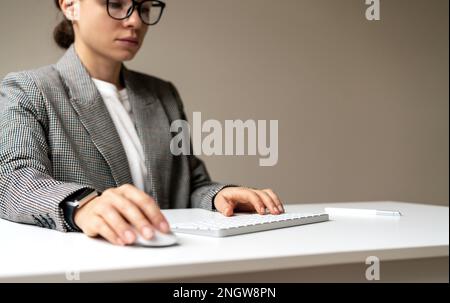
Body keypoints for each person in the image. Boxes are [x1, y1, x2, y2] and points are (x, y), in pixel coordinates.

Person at [0, 0, 284, 246]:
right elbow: (13, 181)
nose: (135, 20)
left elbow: (190, 185)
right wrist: (82, 206)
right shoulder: (30, 89)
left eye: (144, 7)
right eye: (115, 4)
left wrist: (218, 195)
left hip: (172, 259)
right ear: (70, 5)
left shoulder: (163, 94)